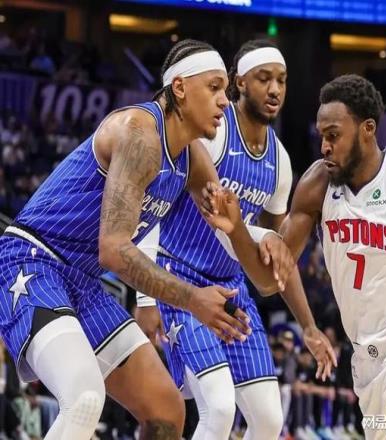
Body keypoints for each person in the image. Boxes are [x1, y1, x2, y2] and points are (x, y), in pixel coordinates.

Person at [0, 39, 293, 440]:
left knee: (166, 411)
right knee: (84, 398)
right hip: (33, 260)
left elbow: (235, 239)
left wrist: (264, 237)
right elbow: (114, 249)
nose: (225, 101)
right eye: (214, 87)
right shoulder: (139, 133)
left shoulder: (194, 158)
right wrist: (192, 298)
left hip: (83, 280)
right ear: (179, 88)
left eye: (225, 90)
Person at [207, 74, 386, 440]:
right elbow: (270, 280)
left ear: (367, 129)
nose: (324, 147)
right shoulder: (316, 185)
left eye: (333, 135)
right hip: (365, 362)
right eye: (321, 136)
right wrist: (237, 229)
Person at [136, 40, 335, 440]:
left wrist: (309, 326)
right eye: (264, 79)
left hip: (231, 288)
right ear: (239, 83)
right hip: (181, 278)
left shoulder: (280, 162)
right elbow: (154, 203)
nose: (274, 89)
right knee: (220, 408)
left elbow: (279, 256)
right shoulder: (212, 132)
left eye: (282, 80)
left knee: (269, 419)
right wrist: (145, 298)